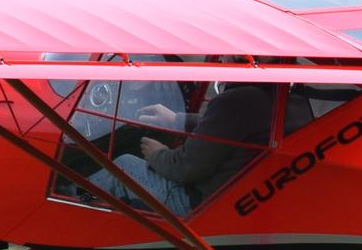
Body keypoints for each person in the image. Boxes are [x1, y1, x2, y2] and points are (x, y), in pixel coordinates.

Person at [101, 82, 273, 213]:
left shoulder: (238, 101)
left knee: (124, 163)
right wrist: (178, 120)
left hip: (201, 204)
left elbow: (185, 168)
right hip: (243, 200)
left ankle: (76, 201)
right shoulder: (279, 98)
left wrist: (157, 154)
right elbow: (227, 125)